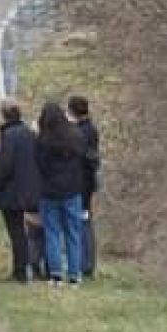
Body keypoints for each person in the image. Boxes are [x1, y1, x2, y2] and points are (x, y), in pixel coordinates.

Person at [35, 102, 86, 286]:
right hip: (72, 191)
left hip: (49, 192)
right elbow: (83, 161)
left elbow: (39, 165)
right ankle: (74, 274)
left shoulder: (42, 141)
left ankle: (56, 274)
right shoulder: (76, 136)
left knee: (52, 232)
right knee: (74, 232)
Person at [0, 99, 41, 283]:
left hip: (13, 190)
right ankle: (30, 267)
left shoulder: (9, 135)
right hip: (31, 189)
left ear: (4, 114)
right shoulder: (29, 133)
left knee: (16, 232)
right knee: (28, 231)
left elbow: (5, 165)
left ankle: (20, 271)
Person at [67, 95, 101, 278]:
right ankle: (86, 262)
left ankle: (85, 264)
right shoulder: (91, 129)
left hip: (81, 184)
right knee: (84, 220)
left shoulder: (80, 132)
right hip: (87, 183)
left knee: (82, 222)